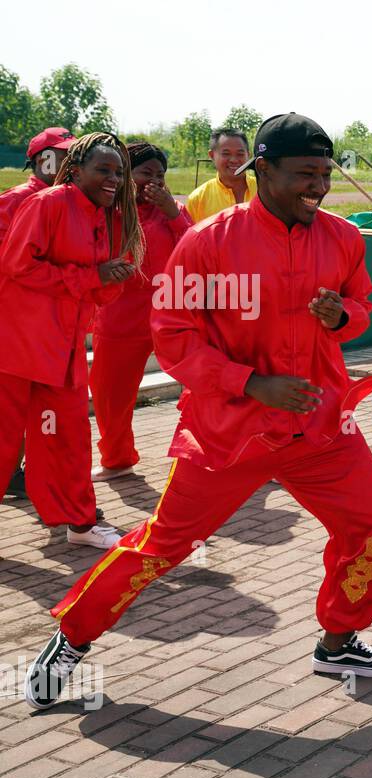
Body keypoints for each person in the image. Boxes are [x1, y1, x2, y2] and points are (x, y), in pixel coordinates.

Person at [26, 113, 372, 712]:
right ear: (264, 170)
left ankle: (338, 640)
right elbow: (173, 335)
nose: (319, 186)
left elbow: (360, 307)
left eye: (325, 174)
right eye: (305, 174)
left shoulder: (340, 237)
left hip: (319, 423)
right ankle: (71, 638)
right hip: (230, 433)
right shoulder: (209, 241)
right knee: (162, 546)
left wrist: (342, 318)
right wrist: (251, 384)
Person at [0, 132, 138, 552]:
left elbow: (96, 288)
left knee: (68, 439)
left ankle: (79, 523)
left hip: (64, 348)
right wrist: (92, 278)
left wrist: (111, 280)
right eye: (103, 170)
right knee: (4, 442)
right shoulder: (46, 203)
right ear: (74, 171)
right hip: (18, 344)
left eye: (118, 172)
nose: (113, 179)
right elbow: (17, 265)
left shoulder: (107, 215)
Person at [88, 142, 193, 480]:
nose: (154, 181)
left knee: (200, 383)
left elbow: (196, 245)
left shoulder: (172, 210)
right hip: (119, 315)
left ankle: (203, 449)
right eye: (145, 173)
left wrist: (173, 213)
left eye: (160, 175)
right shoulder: (106, 212)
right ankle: (117, 459)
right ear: (124, 176)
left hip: (171, 312)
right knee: (110, 395)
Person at [0, 127, 76, 500]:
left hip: (50, 333)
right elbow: (13, 266)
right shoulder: (16, 200)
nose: (69, 161)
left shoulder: (70, 202)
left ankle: (48, 494)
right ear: (41, 159)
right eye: (62, 154)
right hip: (17, 333)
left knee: (47, 425)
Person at [183, 127, 257, 223]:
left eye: (240, 154)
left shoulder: (264, 190)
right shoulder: (198, 199)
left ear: (249, 155)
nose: (234, 160)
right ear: (212, 155)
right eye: (226, 154)